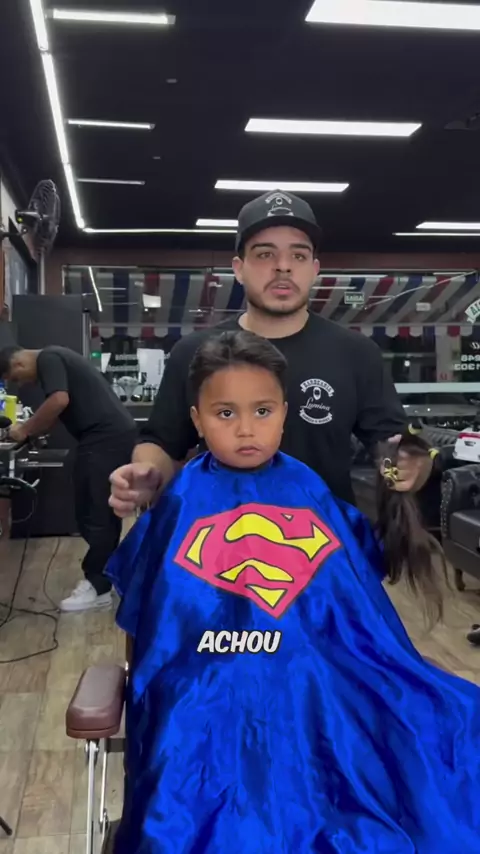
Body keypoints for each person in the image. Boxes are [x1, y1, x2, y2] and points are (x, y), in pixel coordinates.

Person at [106, 331, 479, 853]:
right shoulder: (182, 500)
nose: (246, 429)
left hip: (318, 662)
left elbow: (352, 610)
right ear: (197, 419)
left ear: (284, 413)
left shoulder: (308, 489)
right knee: (201, 739)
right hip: (202, 673)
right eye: (225, 413)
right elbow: (153, 623)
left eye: (262, 411)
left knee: (435, 720)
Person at [109, 189, 435, 519]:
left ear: (314, 268)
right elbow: (163, 442)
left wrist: (411, 467)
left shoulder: (356, 353)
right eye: (265, 254)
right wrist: (147, 473)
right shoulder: (195, 352)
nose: (283, 267)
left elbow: (393, 446)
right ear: (239, 268)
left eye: (298, 256)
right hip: (217, 538)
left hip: (328, 540)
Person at [0, 345, 137, 611]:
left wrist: (24, 429)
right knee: (91, 510)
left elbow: (59, 400)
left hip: (105, 437)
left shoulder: (48, 358)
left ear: (18, 364)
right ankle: (109, 575)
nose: (22, 383)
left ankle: (99, 587)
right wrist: (35, 431)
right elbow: (59, 407)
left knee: (96, 512)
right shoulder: (57, 357)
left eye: (16, 378)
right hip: (104, 437)